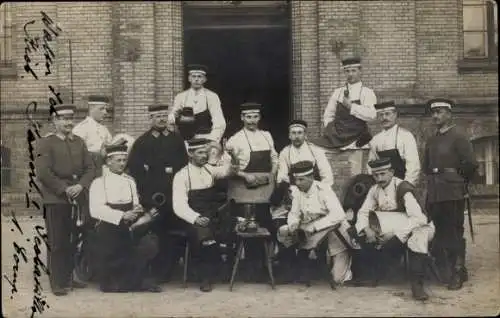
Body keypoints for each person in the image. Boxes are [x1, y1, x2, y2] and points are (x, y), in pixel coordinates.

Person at [353, 157, 435, 300]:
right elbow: (363, 212)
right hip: (391, 225)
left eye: (383, 174)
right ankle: (372, 274)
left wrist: (396, 234)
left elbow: (419, 218)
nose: (379, 178)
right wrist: (366, 229)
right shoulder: (375, 190)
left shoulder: (403, 188)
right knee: (358, 231)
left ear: (391, 172)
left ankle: (417, 285)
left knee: (417, 238)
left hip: (419, 226)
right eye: (376, 175)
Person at [36, 104, 96, 296]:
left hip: (78, 197)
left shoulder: (79, 142)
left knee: (74, 239)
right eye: (63, 119)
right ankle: (57, 282)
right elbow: (44, 172)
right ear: (54, 121)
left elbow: (90, 168)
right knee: (57, 241)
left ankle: (69, 277)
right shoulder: (46, 143)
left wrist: (81, 186)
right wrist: (64, 189)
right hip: (56, 200)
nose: (68, 122)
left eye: (70, 118)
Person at [126, 104, 189, 282]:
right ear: (150, 119)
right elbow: (136, 173)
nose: (161, 119)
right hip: (152, 200)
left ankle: (169, 269)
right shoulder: (142, 142)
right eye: (157, 116)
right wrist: (147, 200)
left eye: (164, 115)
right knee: (155, 233)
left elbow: (184, 167)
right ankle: (154, 271)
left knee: (173, 234)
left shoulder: (176, 139)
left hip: (174, 197)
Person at [88, 144, 161, 293]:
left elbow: (135, 203)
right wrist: (121, 215)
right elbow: (95, 210)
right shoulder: (98, 183)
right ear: (109, 162)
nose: (122, 163)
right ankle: (114, 282)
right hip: (108, 225)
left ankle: (135, 280)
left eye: (124, 160)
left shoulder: (130, 181)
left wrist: (137, 210)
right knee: (113, 242)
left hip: (129, 223)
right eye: (118, 160)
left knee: (149, 240)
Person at [423, 98, 478, 290]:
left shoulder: (459, 137)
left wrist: (458, 181)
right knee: (439, 230)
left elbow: (471, 165)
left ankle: (458, 271)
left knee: (454, 231)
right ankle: (445, 268)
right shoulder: (431, 139)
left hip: (453, 191)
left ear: (449, 113)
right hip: (435, 192)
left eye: (439, 112)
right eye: (433, 112)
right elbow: (426, 167)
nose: (436, 116)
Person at [172, 138, 238, 292]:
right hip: (192, 218)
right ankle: (205, 277)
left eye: (206, 152)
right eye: (200, 153)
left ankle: (226, 270)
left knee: (235, 227)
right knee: (205, 237)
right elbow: (179, 205)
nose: (205, 156)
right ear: (190, 154)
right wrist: (195, 218)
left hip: (212, 214)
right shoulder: (181, 176)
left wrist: (232, 155)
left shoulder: (210, 169)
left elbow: (229, 171)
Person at [223, 102, 279, 280]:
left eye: (255, 116)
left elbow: (274, 158)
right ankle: (244, 269)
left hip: (263, 189)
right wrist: (244, 176)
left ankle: (263, 268)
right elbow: (226, 167)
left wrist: (271, 175)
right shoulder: (235, 140)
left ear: (259, 117)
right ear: (242, 118)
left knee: (265, 225)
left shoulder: (267, 136)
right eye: (248, 117)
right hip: (243, 191)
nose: (252, 120)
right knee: (244, 227)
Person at [277, 161, 353, 288]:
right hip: (311, 231)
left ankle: (346, 264)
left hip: (336, 231)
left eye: (301, 180)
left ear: (311, 177)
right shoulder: (298, 192)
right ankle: (298, 270)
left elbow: (338, 215)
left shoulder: (324, 189)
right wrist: (293, 224)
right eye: (296, 180)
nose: (298, 183)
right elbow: (294, 214)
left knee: (338, 278)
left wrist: (315, 227)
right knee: (284, 231)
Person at [314, 57, 377, 150]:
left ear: (360, 72)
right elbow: (328, 114)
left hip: (357, 137)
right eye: (347, 71)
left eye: (353, 71)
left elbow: (372, 115)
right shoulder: (337, 92)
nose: (350, 74)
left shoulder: (367, 92)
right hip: (337, 136)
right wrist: (331, 130)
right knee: (314, 146)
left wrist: (351, 107)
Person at [367, 101, 420, 186]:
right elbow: (370, 165)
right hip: (382, 185)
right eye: (381, 115)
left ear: (395, 114)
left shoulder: (405, 136)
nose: (384, 118)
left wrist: (406, 185)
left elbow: (413, 165)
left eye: (387, 114)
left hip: (401, 183)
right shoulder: (375, 140)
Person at [169, 64, 226, 142]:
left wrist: (212, 140)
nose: (196, 79)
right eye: (193, 76)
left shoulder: (212, 96)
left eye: (199, 77)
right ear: (189, 78)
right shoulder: (181, 97)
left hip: (205, 138)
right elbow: (172, 118)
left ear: (204, 79)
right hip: (185, 140)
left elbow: (219, 121)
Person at [277, 119, 334, 187]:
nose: (297, 136)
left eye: (300, 132)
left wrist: (321, 190)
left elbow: (327, 175)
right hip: (294, 190)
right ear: (289, 136)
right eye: (293, 133)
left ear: (305, 135)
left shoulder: (315, 150)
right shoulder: (285, 153)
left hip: (314, 189)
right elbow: (282, 177)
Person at [72, 95, 114, 176]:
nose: (105, 112)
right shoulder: (81, 128)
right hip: (88, 174)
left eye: (106, 109)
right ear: (91, 109)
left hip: (104, 172)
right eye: (101, 109)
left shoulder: (104, 130)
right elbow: (76, 156)